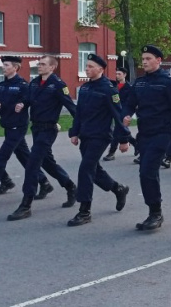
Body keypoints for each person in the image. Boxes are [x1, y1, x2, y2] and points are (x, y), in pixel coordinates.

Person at [0, 56, 55, 211]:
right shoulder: (1, 85)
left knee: (0, 158)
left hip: (18, 126)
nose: (3, 67)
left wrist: (20, 105)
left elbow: (27, 101)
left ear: (15, 67)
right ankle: (44, 182)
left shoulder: (23, 85)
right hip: (8, 126)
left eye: (6, 65)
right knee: (24, 156)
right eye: (3, 65)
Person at [5, 55, 79, 221]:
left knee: (32, 163)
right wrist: (23, 103)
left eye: (43, 64)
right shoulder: (34, 82)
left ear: (52, 67)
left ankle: (26, 205)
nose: (39, 66)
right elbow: (28, 99)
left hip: (49, 129)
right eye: (39, 64)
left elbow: (71, 106)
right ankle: (70, 186)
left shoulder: (58, 85)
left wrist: (78, 128)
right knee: (47, 162)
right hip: (36, 128)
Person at [123, 45, 171, 231]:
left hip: (162, 134)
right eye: (143, 59)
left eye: (148, 58)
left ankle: (155, 213)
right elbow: (129, 104)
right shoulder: (140, 82)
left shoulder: (168, 82)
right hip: (144, 134)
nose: (144, 62)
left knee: (147, 171)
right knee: (147, 173)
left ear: (158, 60)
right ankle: (154, 211)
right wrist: (126, 115)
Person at [66, 54, 132, 226]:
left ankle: (84, 211)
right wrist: (74, 132)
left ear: (101, 69)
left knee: (85, 169)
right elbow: (79, 113)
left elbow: (118, 116)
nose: (87, 69)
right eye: (86, 66)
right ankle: (118, 189)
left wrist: (124, 139)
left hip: (101, 136)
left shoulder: (109, 89)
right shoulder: (86, 88)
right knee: (94, 170)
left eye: (90, 66)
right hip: (86, 135)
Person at [103, 67, 138, 162]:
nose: (117, 76)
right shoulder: (113, 86)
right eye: (116, 74)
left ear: (124, 75)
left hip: (123, 112)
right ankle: (136, 143)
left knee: (117, 132)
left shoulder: (129, 87)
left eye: (119, 74)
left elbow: (130, 102)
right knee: (120, 131)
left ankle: (111, 152)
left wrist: (127, 114)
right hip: (113, 111)